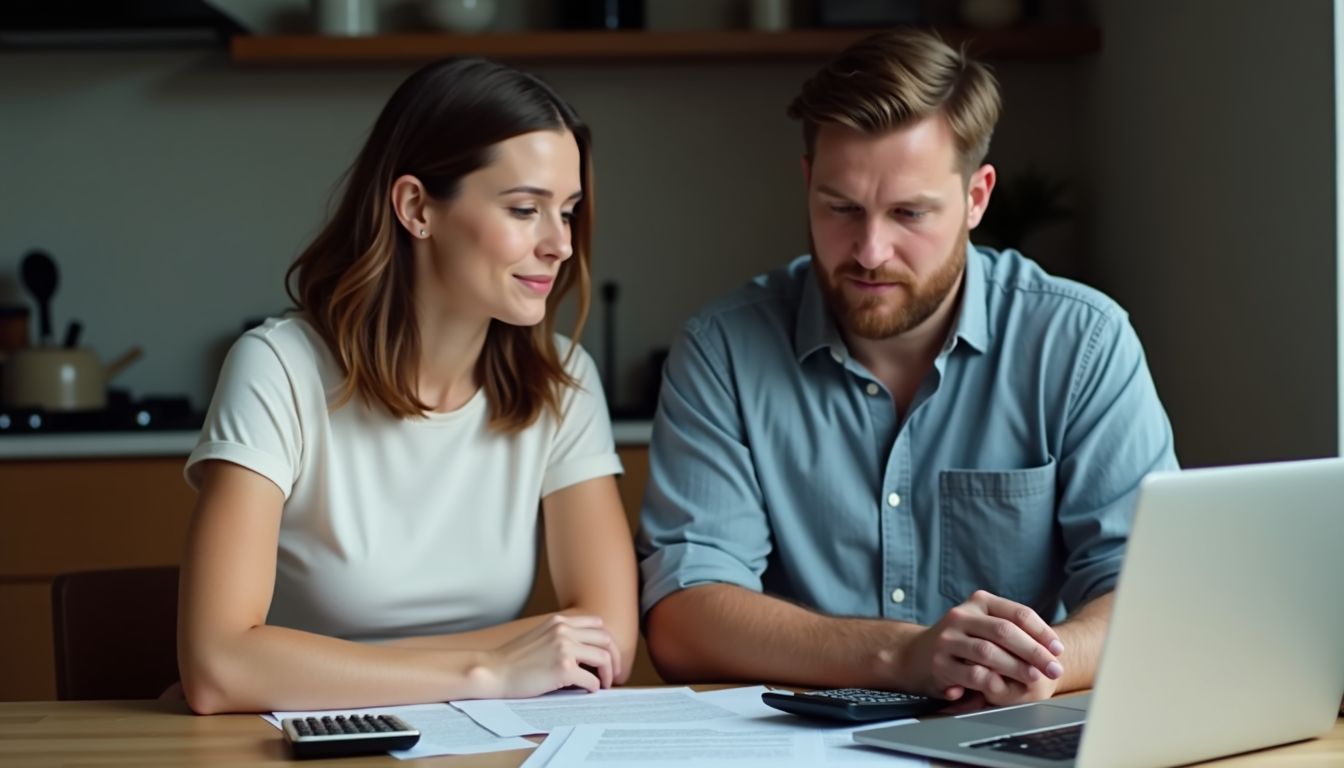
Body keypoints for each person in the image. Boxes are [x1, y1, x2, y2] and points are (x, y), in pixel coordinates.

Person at [638, 28, 1177, 709]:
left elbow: (1149, 588)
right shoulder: (723, 350)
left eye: (909, 213)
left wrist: (1035, 663)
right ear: (808, 184)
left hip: (1010, 726)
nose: (869, 250)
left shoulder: (1082, 342)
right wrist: (903, 655)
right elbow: (684, 618)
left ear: (977, 198)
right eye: (841, 208)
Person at [177, 57, 637, 714]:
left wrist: (292, 663)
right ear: (417, 208)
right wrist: (488, 670)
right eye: (525, 209)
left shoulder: (563, 381)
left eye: (567, 211)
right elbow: (220, 666)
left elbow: (607, 637)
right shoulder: (278, 368)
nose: (560, 244)